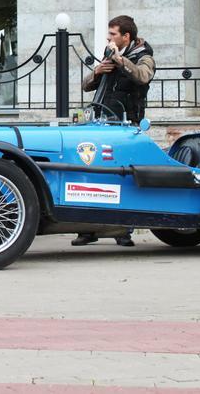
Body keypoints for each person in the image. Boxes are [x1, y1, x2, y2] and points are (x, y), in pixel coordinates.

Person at [73, 15, 156, 248]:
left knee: (122, 176)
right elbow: (86, 85)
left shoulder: (144, 57)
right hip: (101, 120)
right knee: (90, 172)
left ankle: (122, 231)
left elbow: (143, 76)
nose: (109, 38)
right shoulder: (109, 52)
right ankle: (86, 230)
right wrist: (98, 71)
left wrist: (121, 62)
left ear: (126, 37)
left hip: (126, 124)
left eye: (113, 34)